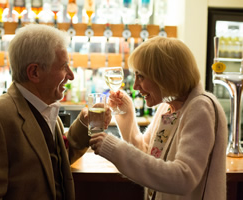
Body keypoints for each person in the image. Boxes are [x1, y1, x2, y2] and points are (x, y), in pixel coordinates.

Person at [0, 24, 111, 200]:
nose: (71, 75)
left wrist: (85, 122)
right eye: (64, 66)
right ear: (34, 72)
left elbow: (55, 163)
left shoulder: (45, 109)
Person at [89, 36, 227, 200]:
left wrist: (115, 148)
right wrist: (126, 114)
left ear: (165, 76)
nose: (135, 86)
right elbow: (147, 154)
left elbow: (183, 178)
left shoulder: (200, 108)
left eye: (141, 76)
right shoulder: (168, 106)